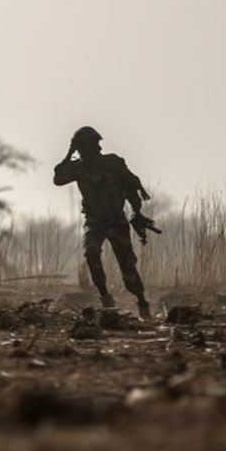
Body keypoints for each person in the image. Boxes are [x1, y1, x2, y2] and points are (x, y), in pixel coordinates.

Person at [53, 125, 152, 318]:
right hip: (94, 221)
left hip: (116, 221)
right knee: (91, 252)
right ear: (80, 148)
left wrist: (136, 212)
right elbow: (58, 178)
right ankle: (106, 298)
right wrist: (69, 153)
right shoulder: (78, 168)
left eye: (95, 143)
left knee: (127, 266)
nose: (95, 148)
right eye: (88, 144)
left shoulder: (112, 163)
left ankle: (142, 303)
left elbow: (132, 187)